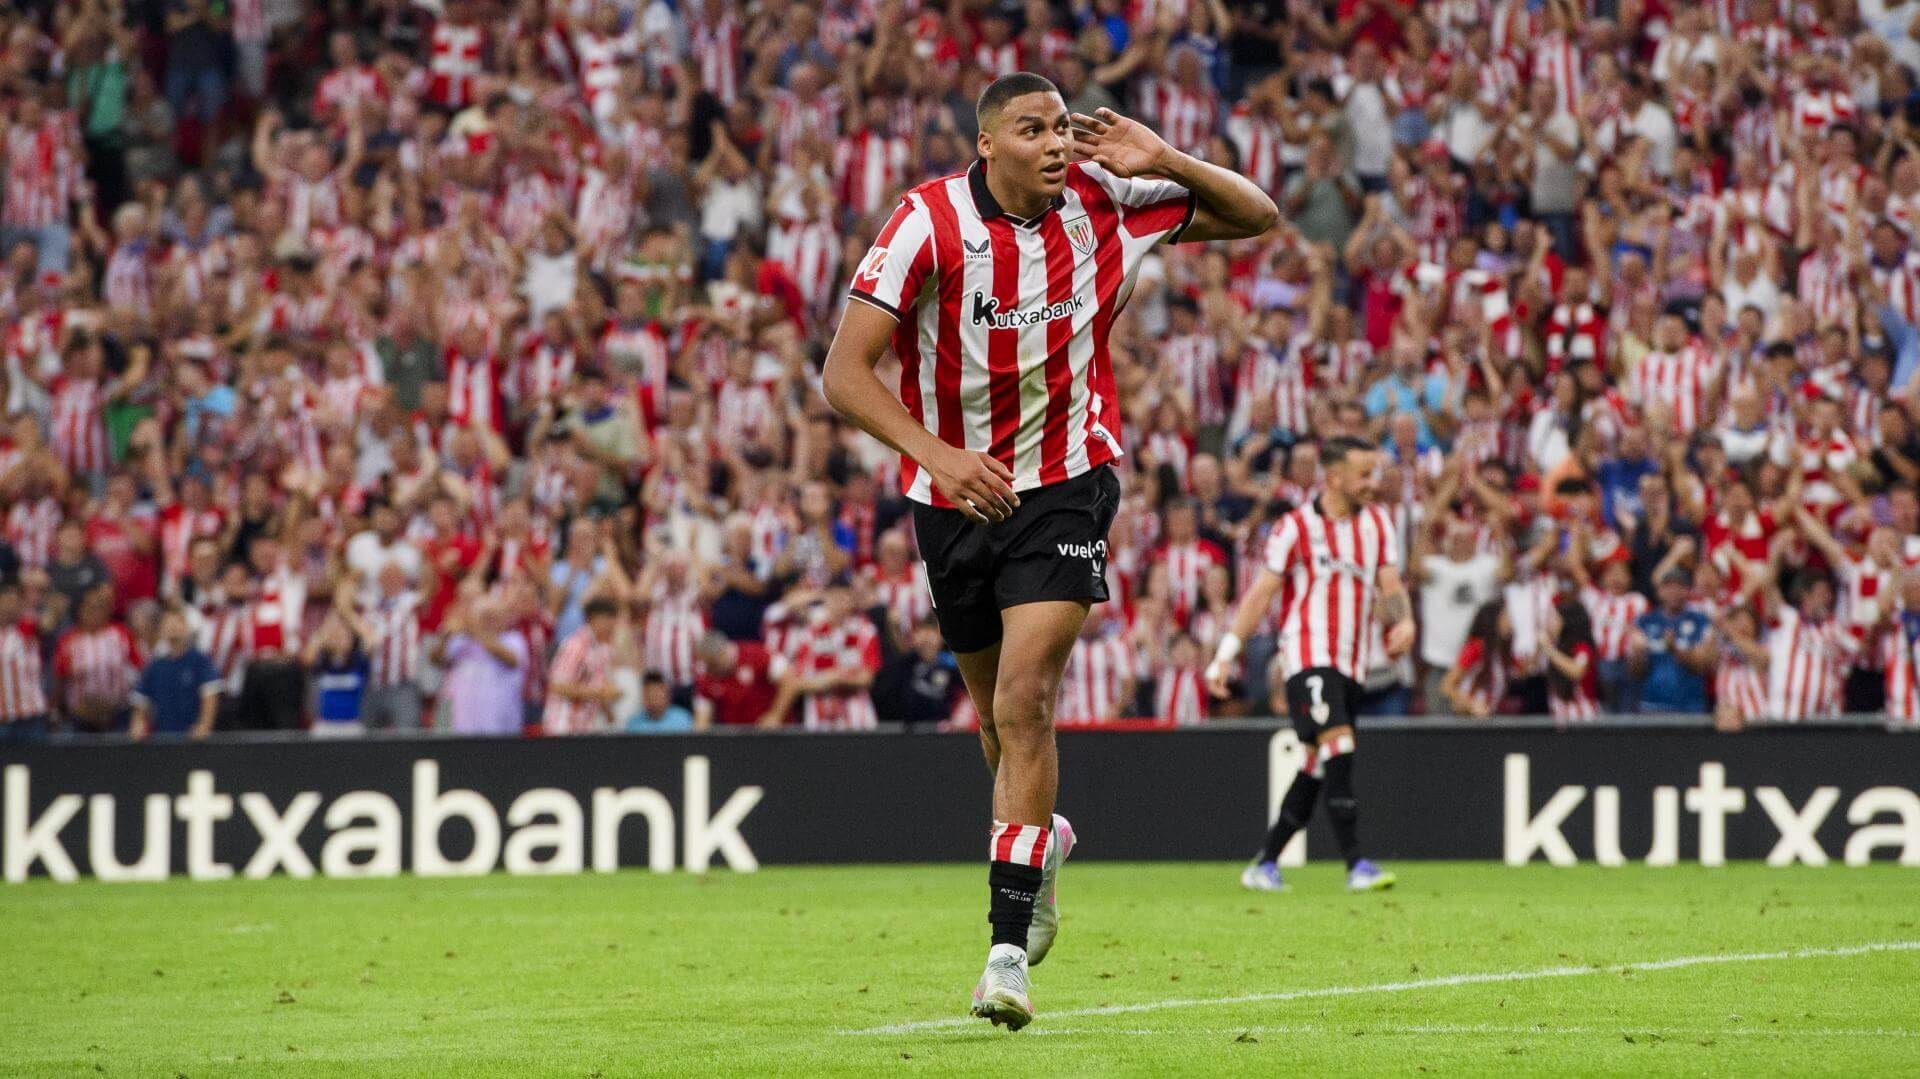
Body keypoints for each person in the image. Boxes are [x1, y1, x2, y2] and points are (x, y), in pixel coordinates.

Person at [821, 70, 1278, 1030]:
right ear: (988, 144)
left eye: (1063, 127)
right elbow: (843, 372)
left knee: (1028, 699)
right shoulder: (928, 223)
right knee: (993, 720)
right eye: (1033, 129)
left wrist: (1166, 159)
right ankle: (1042, 844)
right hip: (953, 493)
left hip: (1068, 481)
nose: (1056, 142)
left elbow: (1257, 214)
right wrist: (939, 456)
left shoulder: (1108, 203)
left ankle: (1004, 955)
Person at [1205, 436, 1416, 894]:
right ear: (1334, 477)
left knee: (1317, 763)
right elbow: (1261, 595)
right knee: (1339, 745)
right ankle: (1357, 862)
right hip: (1307, 657)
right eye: (1364, 474)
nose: (1372, 484)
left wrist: (1405, 624)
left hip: (1352, 664)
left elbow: (1391, 587)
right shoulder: (1296, 527)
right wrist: (1225, 654)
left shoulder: (1377, 524)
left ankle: (1265, 862)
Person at [129, 607, 219, 739]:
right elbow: (141, 700)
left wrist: (204, 725)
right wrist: (138, 723)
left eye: (178, 622)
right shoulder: (155, 666)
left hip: (192, 739)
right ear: (161, 630)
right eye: (169, 623)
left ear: (187, 628)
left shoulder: (200, 661)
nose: (173, 627)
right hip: (163, 738)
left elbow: (210, 693)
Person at [543, 596, 622, 734]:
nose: (612, 624)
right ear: (594, 618)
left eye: (614, 619)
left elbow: (597, 687)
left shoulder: (604, 650)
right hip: (564, 725)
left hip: (585, 727)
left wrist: (609, 714)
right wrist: (599, 692)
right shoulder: (576, 645)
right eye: (609, 619)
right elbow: (557, 686)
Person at [1540, 599, 1599, 724]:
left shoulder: (1582, 647)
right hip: (1560, 719)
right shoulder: (1557, 647)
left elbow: (1577, 671)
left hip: (1583, 719)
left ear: (1567, 621)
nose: (1550, 623)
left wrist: (1548, 649)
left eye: (1554, 618)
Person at [626, 671, 697, 733]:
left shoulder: (683, 719)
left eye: (657, 692)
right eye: (649, 692)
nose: (653, 697)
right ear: (643, 696)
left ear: (668, 694)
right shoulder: (634, 724)